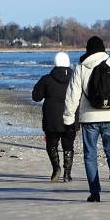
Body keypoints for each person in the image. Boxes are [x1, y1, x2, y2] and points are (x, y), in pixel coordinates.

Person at [63, 36, 110, 202]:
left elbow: (72, 96)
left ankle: (94, 192)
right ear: (103, 48)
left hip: (89, 118)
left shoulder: (81, 67)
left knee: (90, 155)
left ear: (87, 50)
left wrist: (68, 120)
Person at [32, 52, 77, 181]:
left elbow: (36, 97)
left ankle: (56, 168)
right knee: (68, 146)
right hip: (71, 115)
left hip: (51, 117)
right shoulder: (75, 78)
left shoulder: (46, 79)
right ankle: (67, 174)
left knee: (52, 145)